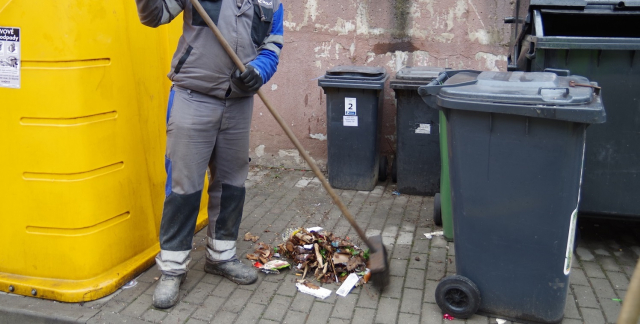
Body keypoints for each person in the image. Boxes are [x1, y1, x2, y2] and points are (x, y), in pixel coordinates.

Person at [134, 0, 284, 309]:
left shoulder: (272, 2)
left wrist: (259, 70)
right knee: (184, 185)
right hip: (194, 96)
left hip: (239, 104)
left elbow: (272, 46)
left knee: (232, 183)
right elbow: (153, 16)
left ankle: (221, 256)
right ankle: (173, 269)